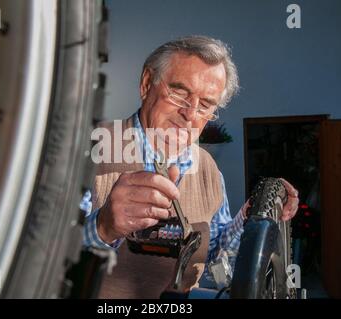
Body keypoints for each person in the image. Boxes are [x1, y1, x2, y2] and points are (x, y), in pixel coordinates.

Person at [80, 35, 299, 298]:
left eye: (205, 105)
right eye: (179, 93)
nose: (190, 114)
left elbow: (216, 255)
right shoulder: (89, 148)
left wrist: (250, 214)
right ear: (147, 83)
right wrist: (103, 227)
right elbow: (40, 251)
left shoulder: (208, 169)